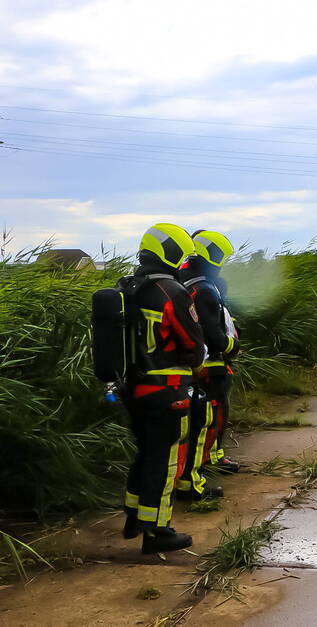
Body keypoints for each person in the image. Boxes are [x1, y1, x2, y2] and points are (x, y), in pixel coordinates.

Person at [122, 223, 204, 553]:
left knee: (145, 452)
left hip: (132, 388)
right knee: (165, 459)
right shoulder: (172, 291)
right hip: (166, 390)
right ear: (170, 252)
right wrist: (194, 359)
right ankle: (157, 531)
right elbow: (195, 346)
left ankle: (133, 515)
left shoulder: (128, 286)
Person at [176, 230, 240, 500]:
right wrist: (232, 346)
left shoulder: (190, 282)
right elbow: (212, 334)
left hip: (199, 365)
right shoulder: (203, 290)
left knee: (211, 417)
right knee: (205, 422)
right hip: (210, 366)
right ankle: (192, 481)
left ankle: (210, 459)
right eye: (221, 259)